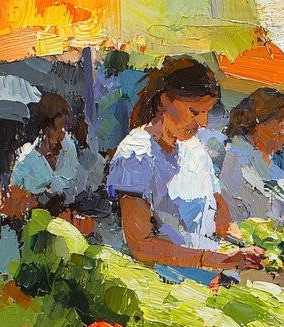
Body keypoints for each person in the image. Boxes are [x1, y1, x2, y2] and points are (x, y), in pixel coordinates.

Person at [107, 57, 263, 279]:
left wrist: (249, 245)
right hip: (166, 285)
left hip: (213, 277)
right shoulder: (136, 152)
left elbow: (221, 218)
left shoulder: (195, 147)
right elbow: (140, 246)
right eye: (194, 111)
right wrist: (217, 259)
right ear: (164, 101)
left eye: (206, 112)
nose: (203, 123)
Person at [2, 93, 95, 234]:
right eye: (59, 114)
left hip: (64, 223)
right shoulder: (27, 155)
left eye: (64, 114)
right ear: (48, 121)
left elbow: (77, 182)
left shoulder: (68, 147)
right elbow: (12, 189)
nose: (64, 118)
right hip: (33, 224)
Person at [220, 88, 284, 222]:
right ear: (259, 126)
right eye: (282, 126)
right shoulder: (239, 162)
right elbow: (249, 219)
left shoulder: (264, 161)